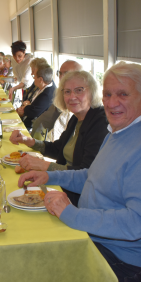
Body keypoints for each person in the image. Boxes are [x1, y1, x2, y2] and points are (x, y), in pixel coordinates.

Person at [19, 62, 141, 282]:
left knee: (53, 272)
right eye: (108, 94)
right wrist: (49, 175)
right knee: (37, 241)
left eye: (123, 94)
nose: (111, 102)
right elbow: (91, 175)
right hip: (105, 237)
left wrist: (71, 215)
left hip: (133, 258)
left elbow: (137, 223)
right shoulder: (118, 130)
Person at [11, 70, 107, 206]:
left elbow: (86, 174)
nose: (72, 96)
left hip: (80, 199)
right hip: (63, 186)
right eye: (67, 91)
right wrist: (29, 141)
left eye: (79, 90)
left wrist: (45, 166)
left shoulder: (100, 123)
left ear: (92, 92)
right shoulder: (76, 118)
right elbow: (58, 149)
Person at [29, 60, 83, 139]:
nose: (61, 77)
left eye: (66, 73)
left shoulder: (78, 104)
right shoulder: (59, 94)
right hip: (41, 138)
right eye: (60, 73)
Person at [16, 64, 57, 130]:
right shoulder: (44, 86)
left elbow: (33, 112)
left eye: (34, 76)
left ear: (41, 79)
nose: (33, 78)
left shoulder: (47, 94)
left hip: (33, 127)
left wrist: (24, 108)